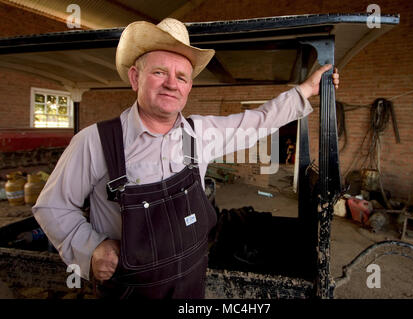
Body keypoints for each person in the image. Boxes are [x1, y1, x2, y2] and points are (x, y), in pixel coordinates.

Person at [32, 18, 339, 299]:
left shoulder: (200, 133)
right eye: (159, 72)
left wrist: (305, 91)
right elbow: (52, 205)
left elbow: (257, 122)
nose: (171, 83)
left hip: (191, 284)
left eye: (181, 76)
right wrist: (92, 248)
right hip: (131, 291)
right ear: (135, 77)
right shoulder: (96, 141)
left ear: (189, 86)